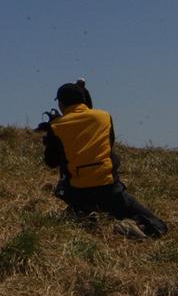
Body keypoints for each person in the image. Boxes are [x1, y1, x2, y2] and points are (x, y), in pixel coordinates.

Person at [38, 82, 167, 239]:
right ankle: (130, 225)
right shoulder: (105, 117)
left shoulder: (56, 126)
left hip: (77, 194)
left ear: (60, 103)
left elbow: (51, 162)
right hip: (110, 192)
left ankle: (82, 214)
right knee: (158, 225)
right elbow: (108, 144)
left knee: (80, 202)